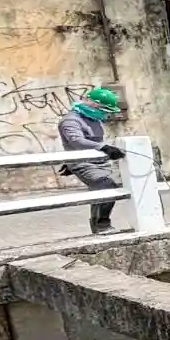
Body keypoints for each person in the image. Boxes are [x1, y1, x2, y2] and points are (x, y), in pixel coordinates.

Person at [57, 87, 127, 235]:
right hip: (83, 163)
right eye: (104, 109)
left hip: (99, 162)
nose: (105, 113)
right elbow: (76, 141)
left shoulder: (94, 119)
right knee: (105, 186)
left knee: (106, 189)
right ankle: (101, 225)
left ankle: (100, 224)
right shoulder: (70, 121)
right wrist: (104, 147)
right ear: (93, 103)